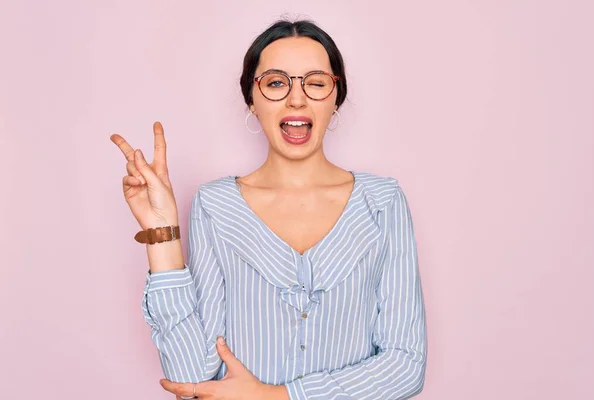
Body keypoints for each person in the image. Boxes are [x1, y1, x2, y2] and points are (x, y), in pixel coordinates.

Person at [111, 19, 427, 400]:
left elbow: (406, 365)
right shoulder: (215, 205)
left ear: (335, 97)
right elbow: (191, 376)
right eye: (276, 82)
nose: (297, 99)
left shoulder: (382, 202)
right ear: (251, 99)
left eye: (315, 81)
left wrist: (276, 395)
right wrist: (162, 234)